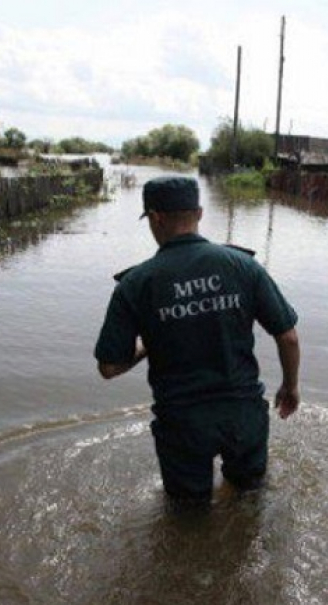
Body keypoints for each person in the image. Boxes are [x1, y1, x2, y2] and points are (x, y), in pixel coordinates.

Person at [94, 176, 300, 505]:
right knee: (250, 502)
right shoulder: (243, 266)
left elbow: (109, 367)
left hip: (182, 425)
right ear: (199, 213)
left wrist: (147, 347)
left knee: (186, 517)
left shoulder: (135, 284)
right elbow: (288, 337)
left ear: (156, 217)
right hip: (243, 416)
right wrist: (290, 387)